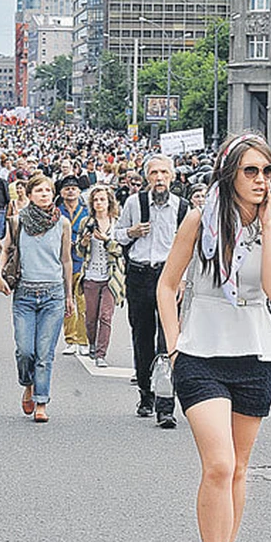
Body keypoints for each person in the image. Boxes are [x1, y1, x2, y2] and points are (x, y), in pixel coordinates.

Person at [156, 132, 271, 542]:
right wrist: (174, 350)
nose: (260, 180)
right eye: (251, 171)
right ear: (230, 173)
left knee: (238, 468)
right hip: (201, 355)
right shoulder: (199, 219)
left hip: (256, 355)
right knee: (217, 465)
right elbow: (167, 285)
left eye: (268, 172)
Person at [113, 154, 188, 428]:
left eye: (164, 173)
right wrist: (131, 232)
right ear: (147, 177)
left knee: (168, 343)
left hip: (168, 277)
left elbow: (189, 249)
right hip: (140, 274)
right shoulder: (135, 203)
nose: (159, 178)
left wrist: (183, 280)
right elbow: (116, 234)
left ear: (172, 176)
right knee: (142, 338)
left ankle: (166, 406)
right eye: (154, 173)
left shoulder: (182, 207)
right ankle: (146, 391)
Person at [0, 175, 75, 423]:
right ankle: (27, 384)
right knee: (25, 350)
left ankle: (41, 401)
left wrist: (69, 295)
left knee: (44, 353)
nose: (44, 194)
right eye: (39, 190)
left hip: (53, 294)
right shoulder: (17, 222)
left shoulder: (63, 223)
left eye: (48, 191)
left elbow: (66, 260)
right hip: (25, 295)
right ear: (29, 195)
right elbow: (6, 250)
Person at [78, 185, 125, 367]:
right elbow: (79, 252)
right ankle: (91, 342)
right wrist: (83, 243)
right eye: (96, 200)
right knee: (91, 317)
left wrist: (107, 241)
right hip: (91, 274)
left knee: (105, 316)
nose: (99, 203)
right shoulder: (87, 223)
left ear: (109, 202)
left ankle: (100, 353)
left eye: (102, 199)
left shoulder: (117, 222)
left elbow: (122, 250)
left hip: (112, 276)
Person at [56, 177, 89, 356]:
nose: (70, 191)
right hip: (62, 262)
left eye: (74, 188)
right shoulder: (56, 212)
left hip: (82, 262)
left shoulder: (86, 211)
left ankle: (83, 339)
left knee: (82, 303)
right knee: (66, 303)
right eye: (67, 188)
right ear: (61, 192)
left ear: (79, 192)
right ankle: (71, 339)